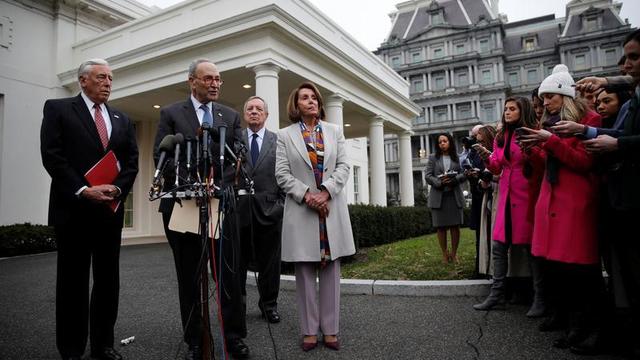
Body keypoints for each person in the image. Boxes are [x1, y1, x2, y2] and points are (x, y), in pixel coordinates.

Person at [40, 59, 139, 360]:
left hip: (109, 212)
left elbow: (131, 161)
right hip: (73, 211)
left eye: (110, 78)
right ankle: (71, 349)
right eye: (100, 77)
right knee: (72, 283)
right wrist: (84, 190)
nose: (108, 83)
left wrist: (118, 189)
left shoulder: (122, 118)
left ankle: (103, 346)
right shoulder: (58, 109)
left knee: (108, 282)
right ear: (82, 81)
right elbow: (53, 156)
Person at [153, 59, 247, 360]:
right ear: (192, 81)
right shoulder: (170, 114)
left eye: (218, 79)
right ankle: (195, 340)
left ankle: (234, 338)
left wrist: (215, 184)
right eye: (208, 78)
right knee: (190, 276)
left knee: (228, 275)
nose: (215, 84)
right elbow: (162, 155)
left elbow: (238, 158)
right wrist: (191, 182)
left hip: (221, 204)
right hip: (183, 205)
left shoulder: (230, 116)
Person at [519, 64, 603, 353]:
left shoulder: (589, 120)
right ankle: (573, 326)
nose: (545, 103)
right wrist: (535, 147)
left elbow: (583, 162)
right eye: (543, 98)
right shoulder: (552, 124)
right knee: (562, 272)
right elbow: (549, 162)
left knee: (582, 273)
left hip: (576, 204)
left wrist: (549, 142)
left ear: (564, 95)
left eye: (550, 97)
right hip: (554, 202)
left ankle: (591, 329)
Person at [568, 29, 640, 357]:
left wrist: (616, 144)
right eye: (624, 58)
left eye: (634, 58)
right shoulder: (632, 100)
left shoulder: (630, 99)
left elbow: (622, 138)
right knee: (621, 273)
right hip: (618, 200)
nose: (626, 65)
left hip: (629, 197)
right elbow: (618, 131)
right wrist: (585, 130)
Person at [275, 81, 355, 352]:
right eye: (304, 98)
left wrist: (326, 192)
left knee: (331, 270)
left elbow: (344, 166)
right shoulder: (284, 135)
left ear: (319, 103)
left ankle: (331, 330)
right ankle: (309, 331)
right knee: (305, 271)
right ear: (296, 105)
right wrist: (308, 196)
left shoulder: (334, 131)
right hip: (302, 211)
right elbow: (282, 174)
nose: (310, 101)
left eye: (313, 98)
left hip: (330, 209)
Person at [472, 96, 546, 318]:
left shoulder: (534, 131)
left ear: (522, 111)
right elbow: (497, 167)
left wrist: (529, 149)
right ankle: (497, 295)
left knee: (531, 250)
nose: (507, 112)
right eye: (506, 108)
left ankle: (540, 298)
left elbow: (542, 162)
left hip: (527, 197)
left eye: (512, 108)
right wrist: (486, 158)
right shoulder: (502, 136)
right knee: (499, 247)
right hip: (505, 197)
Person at [237, 96, 284, 324]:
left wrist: (280, 206)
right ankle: (239, 306)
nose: (254, 111)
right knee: (238, 262)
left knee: (270, 263)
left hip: (270, 211)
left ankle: (268, 305)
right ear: (245, 114)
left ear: (266, 115)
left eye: (258, 109)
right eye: (250, 109)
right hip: (240, 212)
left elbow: (286, 176)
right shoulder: (235, 140)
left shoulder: (279, 141)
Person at [425, 133, 467, 264]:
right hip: (439, 197)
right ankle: (444, 254)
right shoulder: (433, 158)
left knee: (455, 227)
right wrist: (439, 182)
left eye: (445, 141)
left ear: (450, 142)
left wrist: (454, 180)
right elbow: (428, 175)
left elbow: (464, 174)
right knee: (441, 228)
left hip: (454, 196)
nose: (442, 143)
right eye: (440, 142)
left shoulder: (458, 157)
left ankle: (454, 254)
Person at [475, 125, 498, 276]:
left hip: (498, 197)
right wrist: (482, 182)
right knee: (488, 237)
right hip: (488, 199)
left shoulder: (497, 154)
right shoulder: (480, 157)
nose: (480, 146)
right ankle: (490, 271)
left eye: (482, 142)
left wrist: (491, 177)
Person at [464, 125, 486, 278]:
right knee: (479, 234)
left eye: (476, 134)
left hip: (486, 195)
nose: (473, 138)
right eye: (472, 135)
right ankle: (479, 266)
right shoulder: (472, 152)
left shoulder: (488, 150)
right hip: (477, 196)